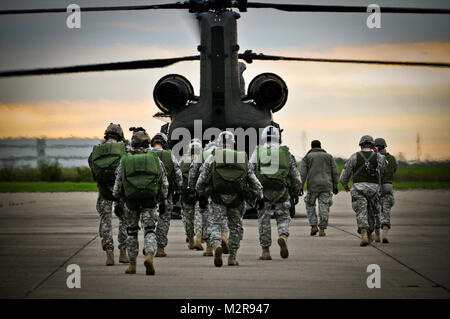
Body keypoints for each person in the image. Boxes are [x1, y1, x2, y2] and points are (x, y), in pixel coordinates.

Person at [196, 131, 263, 267]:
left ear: (219, 143)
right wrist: (260, 196)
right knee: (236, 227)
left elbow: (202, 176)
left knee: (214, 223)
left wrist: (200, 194)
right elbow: (253, 179)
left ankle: (216, 245)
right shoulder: (241, 157)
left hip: (217, 197)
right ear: (233, 143)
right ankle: (232, 256)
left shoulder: (213, 157)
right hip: (237, 199)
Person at [112, 131, 169, 275]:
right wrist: (163, 199)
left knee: (131, 232)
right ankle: (149, 255)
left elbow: (118, 184)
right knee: (149, 229)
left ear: (133, 144)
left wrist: (117, 201)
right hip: (150, 200)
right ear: (147, 143)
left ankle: (132, 265)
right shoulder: (155, 159)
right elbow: (164, 182)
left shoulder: (125, 160)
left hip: (131, 201)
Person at [250, 126, 301, 260]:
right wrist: (296, 192)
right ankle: (283, 235)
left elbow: (249, 171)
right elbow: (295, 176)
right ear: (278, 137)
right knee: (283, 216)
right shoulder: (285, 152)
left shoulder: (258, 151)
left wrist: (252, 191)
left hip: (263, 192)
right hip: (281, 191)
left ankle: (265, 251)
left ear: (263, 137)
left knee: (263, 220)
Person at [88, 123, 128, 265]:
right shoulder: (124, 149)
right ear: (120, 136)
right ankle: (123, 252)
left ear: (106, 135)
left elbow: (92, 167)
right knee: (124, 219)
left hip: (104, 190)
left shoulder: (97, 150)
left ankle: (109, 252)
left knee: (106, 220)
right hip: (121, 190)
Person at [339, 135, 385, 246]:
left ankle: (364, 233)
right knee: (372, 212)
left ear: (360, 145)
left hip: (358, 189)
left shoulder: (354, 157)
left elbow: (344, 175)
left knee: (361, 212)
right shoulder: (379, 157)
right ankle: (370, 234)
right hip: (374, 190)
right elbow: (382, 172)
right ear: (373, 145)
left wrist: (345, 185)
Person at [189, 139, 230, 256]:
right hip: (222, 191)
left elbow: (193, 172)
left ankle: (208, 248)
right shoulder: (224, 155)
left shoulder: (203, 155)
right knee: (222, 218)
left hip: (206, 192)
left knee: (207, 219)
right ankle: (223, 237)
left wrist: (194, 190)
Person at [150, 133, 183, 257]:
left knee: (149, 219)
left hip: (149, 194)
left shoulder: (146, 154)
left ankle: (149, 245)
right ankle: (160, 248)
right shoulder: (170, 155)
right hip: (166, 194)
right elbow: (178, 174)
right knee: (164, 220)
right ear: (164, 143)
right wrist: (179, 189)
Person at [300, 140, 339, 237]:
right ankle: (322, 229)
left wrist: (300, 187)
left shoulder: (307, 157)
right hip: (326, 185)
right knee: (324, 206)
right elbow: (335, 172)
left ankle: (313, 226)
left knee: (310, 205)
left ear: (311, 147)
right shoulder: (329, 157)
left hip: (312, 186)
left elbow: (302, 174)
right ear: (320, 146)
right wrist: (335, 185)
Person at [180, 138, 207, 250]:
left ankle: (190, 239)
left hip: (186, 194)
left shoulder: (182, 161)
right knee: (198, 216)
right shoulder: (203, 161)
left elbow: (178, 177)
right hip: (199, 193)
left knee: (188, 218)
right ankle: (198, 237)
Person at [374, 138, 397, 243]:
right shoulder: (392, 158)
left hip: (376, 187)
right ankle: (385, 235)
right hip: (388, 185)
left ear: (377, 147)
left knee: (375, 211)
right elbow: (394, 170)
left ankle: (377, 236)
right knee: (386, 211)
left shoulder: (375, 158)